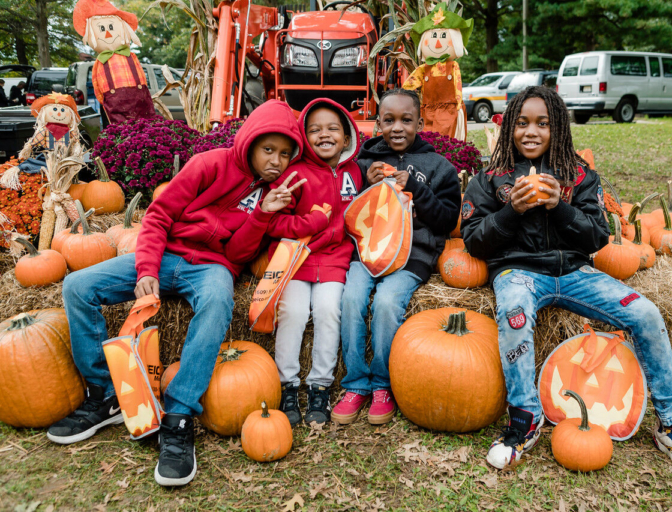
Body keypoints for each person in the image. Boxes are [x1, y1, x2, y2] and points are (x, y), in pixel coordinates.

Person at [47, 100, 306, 487]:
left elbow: (237, 256)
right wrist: (147, 268)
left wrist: (263, 213)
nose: (277, 161)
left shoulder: (272, 193)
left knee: (219, 300)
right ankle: (105, 394)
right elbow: (158, 217)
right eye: (269, 149)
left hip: (212, 268)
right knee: (77, 285)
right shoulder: (209, 164)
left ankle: (180, 414)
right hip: (166, 254)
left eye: (286, 154)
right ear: (250, 142)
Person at [461, 86, 672, 478]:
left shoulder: (578, 174)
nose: (531, 131)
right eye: (522, 123)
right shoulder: (490, 178)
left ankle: (671, 423)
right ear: (508, 126)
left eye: (542, 124)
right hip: (518, 272)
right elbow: (474, 241)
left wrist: (557, 205)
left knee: (644, 312)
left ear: (557, 128)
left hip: (574, 273)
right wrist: (513, 210)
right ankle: (524, 419)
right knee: (512, 313)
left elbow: (597, 237)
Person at [331, 88, 462, 425]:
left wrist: (416, 189)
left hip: (413, 255)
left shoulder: (439, 168)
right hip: (367, 252)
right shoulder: (362, 163)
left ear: (420, 121)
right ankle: (355, 383)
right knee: (351, 298)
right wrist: (364, 188)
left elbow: (447, 220)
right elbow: (344, 213)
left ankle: (382, 384)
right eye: (389, 120)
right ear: (378, 123)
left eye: (406, 119)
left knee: (388, 303)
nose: (398, 127)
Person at [267, 99, 363, 427]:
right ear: (304, 137)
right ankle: (288, 384)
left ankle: (320, 385)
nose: (324, 134)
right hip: (298, 258)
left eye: (333, 128)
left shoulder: (354, 172)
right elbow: (275, 222)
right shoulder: (296, 174)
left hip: (336, 260)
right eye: (314, 130)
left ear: (347, 136)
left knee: (328, 311)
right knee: (291, 312)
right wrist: (307, 223)